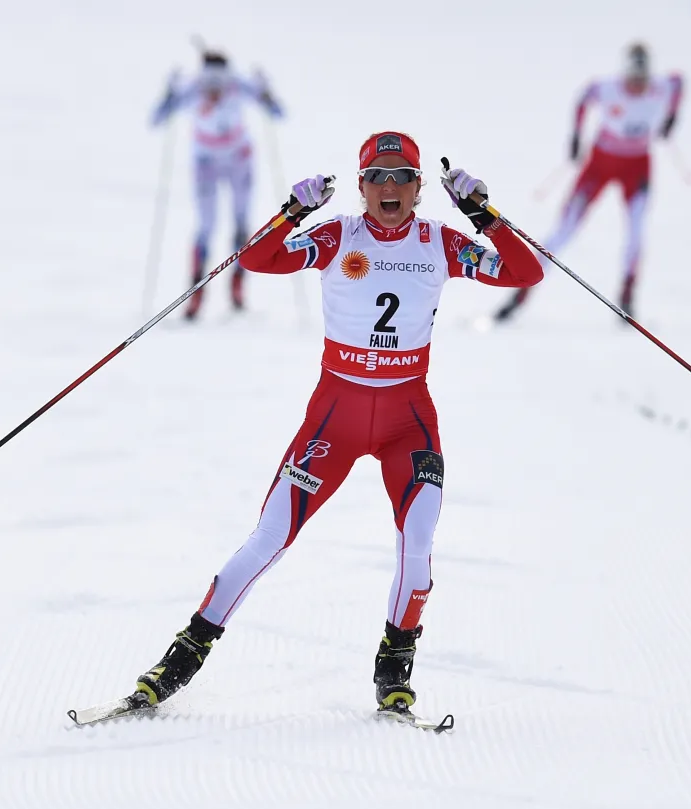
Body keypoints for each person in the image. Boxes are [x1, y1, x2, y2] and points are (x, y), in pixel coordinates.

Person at [133, 132, 544, 717]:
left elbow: (526, 273)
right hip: (335, 418)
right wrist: (293, 211)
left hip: (408, 421)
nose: (389, 188)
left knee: (419, 545)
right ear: (360, 187)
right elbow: (257, 259)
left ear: (419, 188)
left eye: (402, 177)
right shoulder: (339, 236)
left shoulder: (439, 241)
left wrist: (484, 214)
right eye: (377, 178)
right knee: (269, 538)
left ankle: (394, 670)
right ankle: (181, 657)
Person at [495, 42, 683, 322]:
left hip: (637, 167)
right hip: (600, 164)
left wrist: (672, 118)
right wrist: (575, 136)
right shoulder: (609, 88)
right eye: (633, 80)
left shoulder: (661, 87)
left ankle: (627, 299)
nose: (638, 86)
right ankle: (521, 293)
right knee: (563, 231)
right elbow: (585, 97)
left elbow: (679, 83)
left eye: (642, 80)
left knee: (636, 232)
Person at [150, 50, 284, 319]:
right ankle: (196, 293)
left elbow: (277, 112)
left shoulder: (237, 83)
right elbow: (157, 119)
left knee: (241, 222)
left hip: (239, 160)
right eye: (209, 80)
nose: (214, 88)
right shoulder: (193, 86)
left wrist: (265, 90)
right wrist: (169, 93)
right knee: (206, 226)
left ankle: (238, 288)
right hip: (206, 162)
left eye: (219, 81)